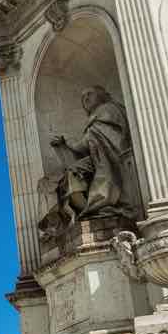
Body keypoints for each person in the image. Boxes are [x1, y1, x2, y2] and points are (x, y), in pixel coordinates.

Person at [41, 85, 140, 240]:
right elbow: (87, 145)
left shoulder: (107, 110)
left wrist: (66, 141)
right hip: (101, 159)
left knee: (73, 173)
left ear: (102, 95)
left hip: (112, 159)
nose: (85, 99)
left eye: (89, 94)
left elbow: (88, 143)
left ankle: (98, 206)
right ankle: (89, 209)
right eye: (82, 98)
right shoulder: (98, 117)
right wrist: (64, 143)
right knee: (71, 174)